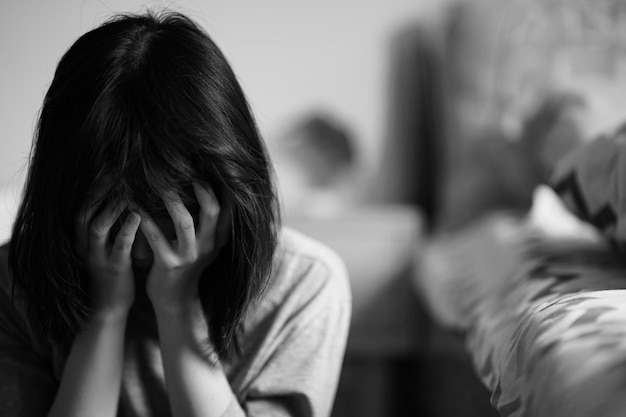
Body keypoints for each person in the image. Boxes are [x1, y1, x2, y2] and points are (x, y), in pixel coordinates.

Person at [0, 10, 351, 417]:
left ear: (227, 191)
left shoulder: (303, 284)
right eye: (113, 221)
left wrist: (178, 310)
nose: (144, 252)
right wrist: (106, 316)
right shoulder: (12, 286)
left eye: (167, 215)